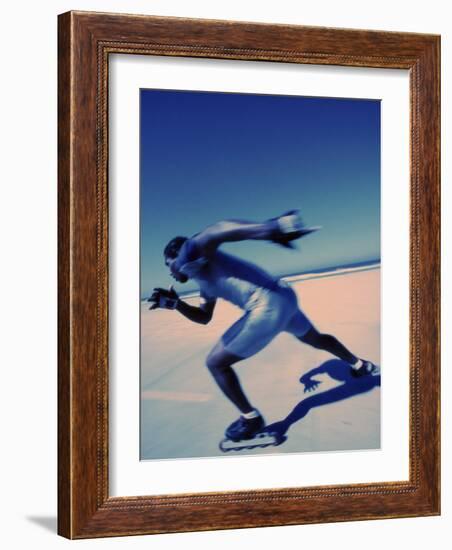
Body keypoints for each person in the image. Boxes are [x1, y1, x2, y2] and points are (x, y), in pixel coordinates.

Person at [148, 211, 379, 442]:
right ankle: (360, 365)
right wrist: (176, 304)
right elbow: (204, 317)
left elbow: (215, 231)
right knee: (316, 339)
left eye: (169, 264)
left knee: (216, 363)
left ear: (177, 257)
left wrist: (269, 229)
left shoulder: (189, 258)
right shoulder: (203, 279)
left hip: (266, 306)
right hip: (285, 297)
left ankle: (250, 419)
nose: (170, 270)